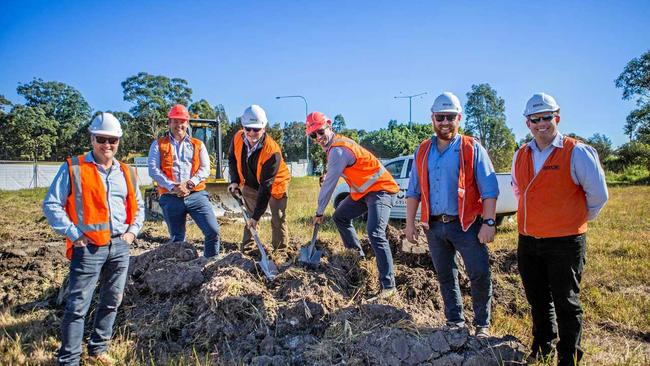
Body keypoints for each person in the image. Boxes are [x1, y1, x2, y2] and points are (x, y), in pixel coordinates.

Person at [513, 93, 608, 365]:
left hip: (565, 242)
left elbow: (598, 196)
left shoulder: (577, 152)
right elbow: (520, 192)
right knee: (538, 300)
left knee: (567, 303)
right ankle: (542, 349)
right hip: (529, 241)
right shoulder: (521, 154)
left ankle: (568, 357)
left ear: (557, 116)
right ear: (527, 122)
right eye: (535, 119)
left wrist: (571, 221)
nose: (542, 123)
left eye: (547, 117)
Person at [43, 112, 144, 365]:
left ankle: (99, 348)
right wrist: (73, 233)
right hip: (88, 248)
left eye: (113, 140)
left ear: (119, 141)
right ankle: (69, 359)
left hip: (120, 245)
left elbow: (139, 207)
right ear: (92, 138)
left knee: (112, 300)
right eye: (102, 139)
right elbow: (52, 204)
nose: (107, 145)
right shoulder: (74, 167)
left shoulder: (127, 172)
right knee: (78, 305)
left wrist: (132, 233)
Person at [404, 92, 499, 338]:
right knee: (446, 275)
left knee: (478, 273)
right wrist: (410, 224)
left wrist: (488, 222)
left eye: (450, 117)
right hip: (435, 227)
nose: (445, 122)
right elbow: (413, 190)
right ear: (433, 118)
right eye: (440, 117)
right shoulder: (423, 150)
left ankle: (482, 325)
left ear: (459, 118)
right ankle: (455, 321)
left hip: (466, 225)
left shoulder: (471, 148)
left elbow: (489, 189)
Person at [308, 111, 399, 298]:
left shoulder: (338, 149)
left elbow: (329, 185)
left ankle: (389, 287)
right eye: (313, 135)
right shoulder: (334, 147)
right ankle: (357, 258)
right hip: (364, 193)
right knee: (340, 217)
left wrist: (319, 212)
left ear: (329, 126)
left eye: (320, 131)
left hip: (381, 190)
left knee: (375, 232)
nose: (318, 137)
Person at [147, 104, 220, 257]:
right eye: (175, 121)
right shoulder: (158, 144)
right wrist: (173, 187)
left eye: (182, 121)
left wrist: (189, 184)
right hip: (170, 196)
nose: (179, 125)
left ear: (187, 124)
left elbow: (205, 169)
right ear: (169, 123)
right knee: (177, 238)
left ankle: (210, 263)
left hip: (196, 194)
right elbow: (153, 170)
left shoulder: (198, 145)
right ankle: (178, 270)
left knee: (213, 232)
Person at [227, 105, 291, 251]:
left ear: (263, 128)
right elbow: (232, 158)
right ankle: (249, 249)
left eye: (256, 129)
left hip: (275, 184)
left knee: (277, 218)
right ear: (243, 127)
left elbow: (266, 186)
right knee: (249, 216)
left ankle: (280, 251)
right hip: (250, 183)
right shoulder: (238, 137)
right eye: (248, 128)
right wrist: (235, 180)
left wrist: (257, 217)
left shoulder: (272, 151)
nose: (251, 133)